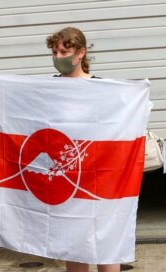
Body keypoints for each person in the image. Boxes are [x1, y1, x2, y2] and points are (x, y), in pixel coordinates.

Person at [46, 27, 121, 272]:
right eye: (55, 51)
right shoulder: (47, 89)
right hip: (67, 176)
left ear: (80, 53)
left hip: (98, 176)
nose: (58, 57)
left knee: (106, 242)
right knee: (74, 243)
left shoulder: (103, 88)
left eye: (64, 51)